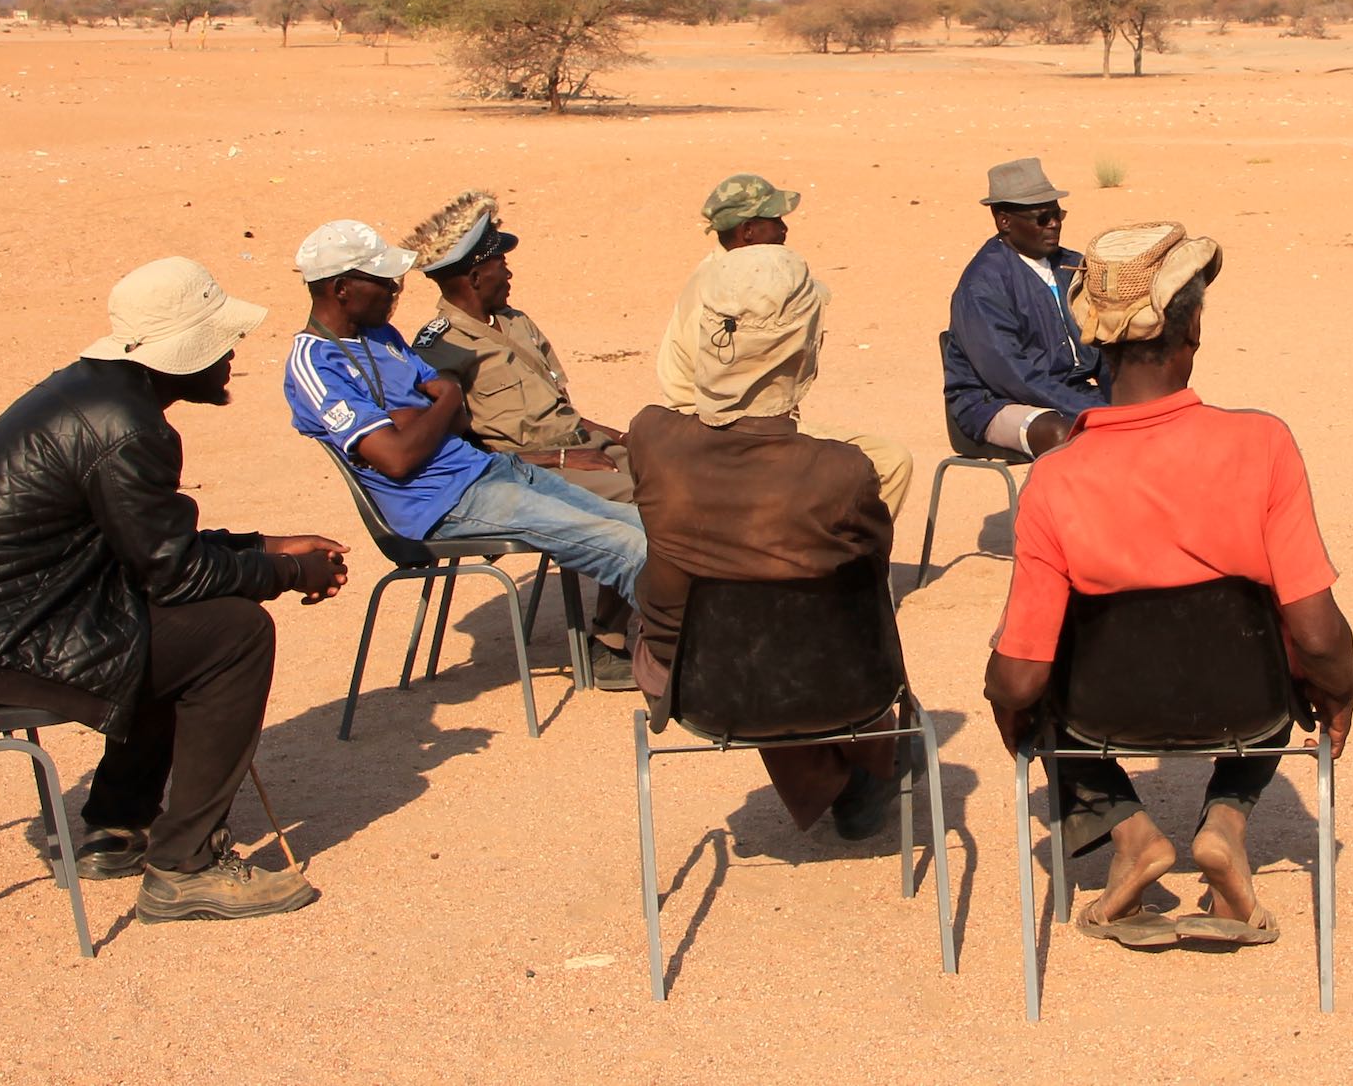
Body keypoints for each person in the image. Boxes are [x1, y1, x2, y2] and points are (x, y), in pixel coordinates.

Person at [0, 257, 343, 921]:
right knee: (234, 634)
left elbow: (150, 551)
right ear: (180, 354)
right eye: (220, 340)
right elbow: (175, 574)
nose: (233, 353)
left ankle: (115, 825)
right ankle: (186, 867)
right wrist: (293, 574)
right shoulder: (130, 428)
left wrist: (264, 547)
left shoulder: (95, 396)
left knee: (172, 623)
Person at [984, 221, 1353, 949]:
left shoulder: (1056, 479)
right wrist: (1337, 693)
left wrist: (1009, 711)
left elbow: (1022, 675)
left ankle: (1129, 830)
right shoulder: (1263, 444)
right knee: (1284, 647)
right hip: (1250, 709)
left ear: (1096, 339)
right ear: (1192, 333)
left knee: (1025, 670)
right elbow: (1317, 632)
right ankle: (1225, 821)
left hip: (1099, 720)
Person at [282, 219, 648, 683]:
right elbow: (398, 457)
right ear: (340, 288)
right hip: (444, 502)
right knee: (627, 545)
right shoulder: (317, 363)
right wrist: (439, 404)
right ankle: (693, 658)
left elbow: (451, 414)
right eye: (383, 281)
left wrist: (421, 416)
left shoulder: (383, 337)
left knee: (653, 526)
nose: (396, 290)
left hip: (491, 471)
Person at [626, 244, 900, 837]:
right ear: (805, 347)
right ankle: (872, 760)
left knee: (742, 630)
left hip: (697, 683)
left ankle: (840, 779)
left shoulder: (651, 437)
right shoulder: (842, 471)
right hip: (840, 681)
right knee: (804, 627)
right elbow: (872, 566)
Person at [404, 190, 635, 647]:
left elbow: (554, 407)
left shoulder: (513, 322)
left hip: (579, 446)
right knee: (650, 498)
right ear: (474, 275)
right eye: (499, 264)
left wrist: (619, 436)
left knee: (683, 472)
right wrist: (561, 457)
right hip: (530, 471)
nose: (508, 271)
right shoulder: (441, 348)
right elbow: (462, 447)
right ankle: (609, 642)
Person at [657, 173, 914, 515]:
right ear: (748, 231)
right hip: (728, 425)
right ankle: (849, 565)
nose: (783, 229)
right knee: (889, 462)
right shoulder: (725, 291)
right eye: (774, 220)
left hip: (743, 419)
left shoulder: (734, 273)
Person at [944, 157, 1107, 457]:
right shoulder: (982, 286)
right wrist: (1094, 409)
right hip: (995, 402)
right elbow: (1013, 377)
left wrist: (1127, 399)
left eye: (1058, 215)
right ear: (1004, 221)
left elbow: (1105, 346)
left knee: (1150, 421)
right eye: (1042, 218)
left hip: (1070, 390)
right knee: (1065, 434)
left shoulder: (1073, 265)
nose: (1054, 224)